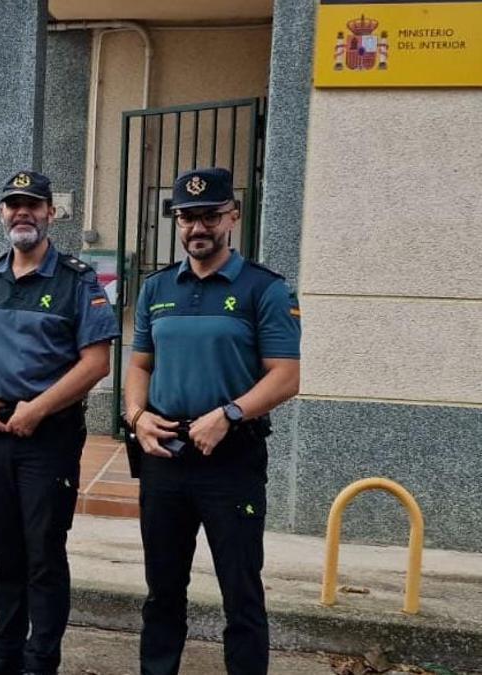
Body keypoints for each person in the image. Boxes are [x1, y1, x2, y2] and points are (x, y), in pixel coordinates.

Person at [123, 168, 301, 675]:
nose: (197, 227)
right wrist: (137, 416)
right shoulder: (157, 287)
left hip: (231, 458)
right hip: (165, 456)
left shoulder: (264, 288)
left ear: (232, 216)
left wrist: (229, 414)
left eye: (210, 215)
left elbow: (286, 375)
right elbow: (140, 365)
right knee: (162, 590)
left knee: (240, 591)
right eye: (187, 217)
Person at [0, 170, 119, 675]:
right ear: (2, 213)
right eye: (13, 204)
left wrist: (38, 408)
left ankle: (40, 659)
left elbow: (97, 362)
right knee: (4, 550)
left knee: (43, 551)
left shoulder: (76, 280)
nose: (22, 212)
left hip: (49, 436)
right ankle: (4, 651)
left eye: (33, 204)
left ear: (50, 213)